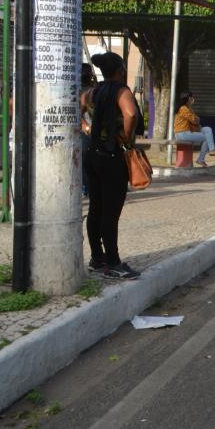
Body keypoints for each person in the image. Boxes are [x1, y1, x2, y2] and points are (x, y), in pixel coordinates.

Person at [86, 52, 141, 280]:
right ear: (120, 70)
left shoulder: (94, 91)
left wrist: (87, 128)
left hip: (93, 155)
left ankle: (97, 258)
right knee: (111, 212)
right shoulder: (122, 91)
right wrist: (126, 137)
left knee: (95, 208)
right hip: (112, 156)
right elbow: (130, 113)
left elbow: (78, 106)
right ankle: (113, 263)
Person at [174, 91, 215, 167]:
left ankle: (211, 150)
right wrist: (196, 119)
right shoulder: (183, 109)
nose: (193, 99)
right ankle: (201, 159)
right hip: (182, 134)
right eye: (192, 97)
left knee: (208, 129)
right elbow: (195, 120)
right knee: (206, 138)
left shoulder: (188, 108)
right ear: (189, 98)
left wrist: (196, 120)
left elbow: (196, 121)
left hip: (189, 131)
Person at [79, 63, 97, 196]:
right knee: (85, 160)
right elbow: (79, 112)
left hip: (93, 131)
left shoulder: (94, 89)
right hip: (86, 132)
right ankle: (87, 187)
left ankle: (90, 187)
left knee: (90, 161)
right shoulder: (81, 91)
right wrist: (85, 125)